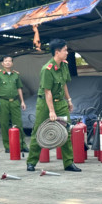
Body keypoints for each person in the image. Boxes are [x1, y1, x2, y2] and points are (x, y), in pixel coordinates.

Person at [26, 39, 82, 172]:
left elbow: (64, 84)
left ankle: (68, 163)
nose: (67, 53)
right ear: (57, 52)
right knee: (38, 131)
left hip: (60, 102)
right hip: (46, 103)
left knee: (66, 131)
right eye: (65, 50)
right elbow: (47, 91)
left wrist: (69, 100)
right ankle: (31, 162)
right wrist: (51, 111)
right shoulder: (47, 69)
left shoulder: (64, 65)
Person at [0, 56, 28, 153]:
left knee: (18, 123)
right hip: (3, 101)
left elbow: (19, 88)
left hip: (15, 101)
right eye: (5, 61)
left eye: (9, 61)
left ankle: (22, 144)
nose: (7, 63)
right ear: (2, 63)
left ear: (12, 63)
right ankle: (7, 146)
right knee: (4, 124)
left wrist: (22, 101)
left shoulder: (16, 75)